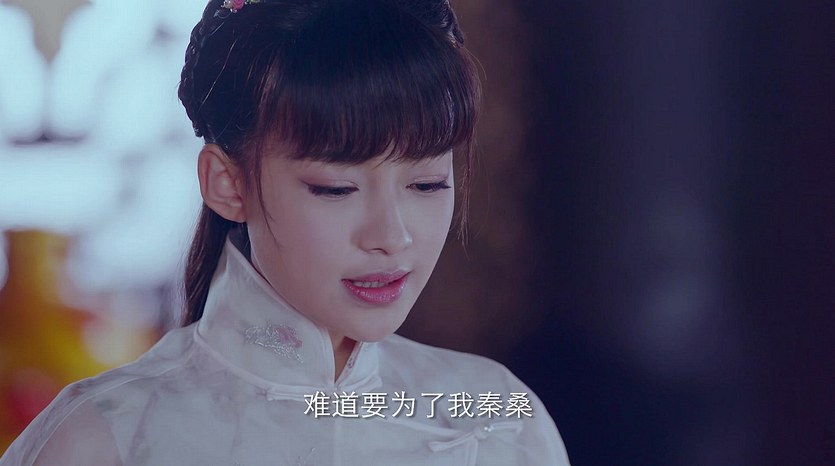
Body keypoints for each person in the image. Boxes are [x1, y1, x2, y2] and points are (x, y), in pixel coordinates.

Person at [0, 0, 571, 464]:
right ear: (227, 184)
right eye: (336, 189)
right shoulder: (104, 438)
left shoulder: (497, 419)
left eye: (426, 184)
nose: (392, 236)